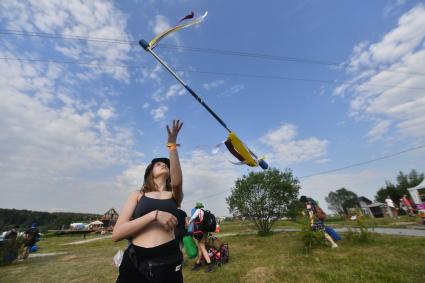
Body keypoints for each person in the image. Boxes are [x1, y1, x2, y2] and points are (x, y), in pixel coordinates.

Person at [112, 120, 184, 283]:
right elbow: (117, 234)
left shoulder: (174, 195)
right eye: (158, 164)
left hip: (167, 258)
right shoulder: (138, 194)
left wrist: (172, 146)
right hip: (135, 258)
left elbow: (178, 182)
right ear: (150, 173)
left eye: (166, 165)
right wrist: (154, 215)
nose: (163, 165)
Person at [189, 202, 215, 272]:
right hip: (205, 232)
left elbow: (193, 218)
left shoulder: (198, 210)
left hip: (201, 232)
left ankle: (210, 265)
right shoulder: (205, 212)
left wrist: (188, 223)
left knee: (202, 248)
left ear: (197, 207)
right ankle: (197, 264)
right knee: (200, 248)